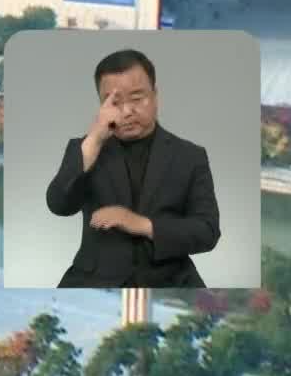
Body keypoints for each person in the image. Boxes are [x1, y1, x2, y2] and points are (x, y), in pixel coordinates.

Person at [44, 49, 219, 288]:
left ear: (155, 96)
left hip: (172, 281)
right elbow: (59, 205)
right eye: (115, 102)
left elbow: (207, 231)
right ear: (102, 105)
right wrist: (95, 138)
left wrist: (141, 224)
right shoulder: (85, 148)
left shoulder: (190, 156)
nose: (127, 111)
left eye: (137, 98)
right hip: (93, 280)